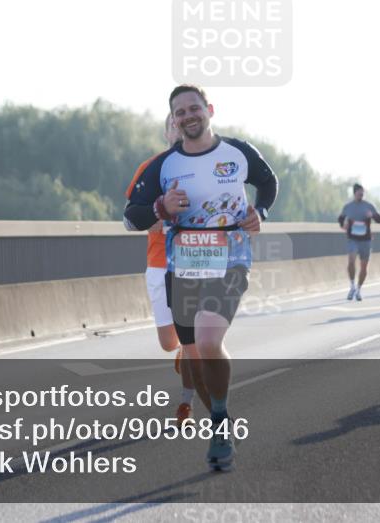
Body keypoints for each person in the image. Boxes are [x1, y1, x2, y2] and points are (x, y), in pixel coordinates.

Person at [124, 85, 278, 472]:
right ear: (174, 120)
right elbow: (131, 217)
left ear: (209, 109)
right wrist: (160, 206)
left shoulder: (238, 152)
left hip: (230, 256)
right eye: (180, 112)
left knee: (209, 340)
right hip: (183, 264)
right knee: (193, 355)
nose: (188, 116)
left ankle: (220, 425)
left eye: (194, 108)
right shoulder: (164, 165)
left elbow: (268, 182)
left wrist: (260, 212)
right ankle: (220, 423)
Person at [125, 115, 202, 427]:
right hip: (159, 263)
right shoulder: (151, 168)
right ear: (167, 132)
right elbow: (132, 216)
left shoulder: (206, 168)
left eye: (182, 122)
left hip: (195, 262)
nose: (178, 129)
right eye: (172, 124)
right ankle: (183, 350)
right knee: (169, 343)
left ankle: (186, 404)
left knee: (193, 336)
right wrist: (155, 217)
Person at [338, 183, 380, 301]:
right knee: (351, 261)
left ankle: (358, 289)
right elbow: (341, 218)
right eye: (359, 193)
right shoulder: (348, 207)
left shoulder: (369, 206)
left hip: (365, 240)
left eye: (363, 193)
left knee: (364, 267)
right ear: (354, 193)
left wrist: (372, 215)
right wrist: (343, 225)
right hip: (352, 239)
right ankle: (352, 285)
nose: (361, 195)